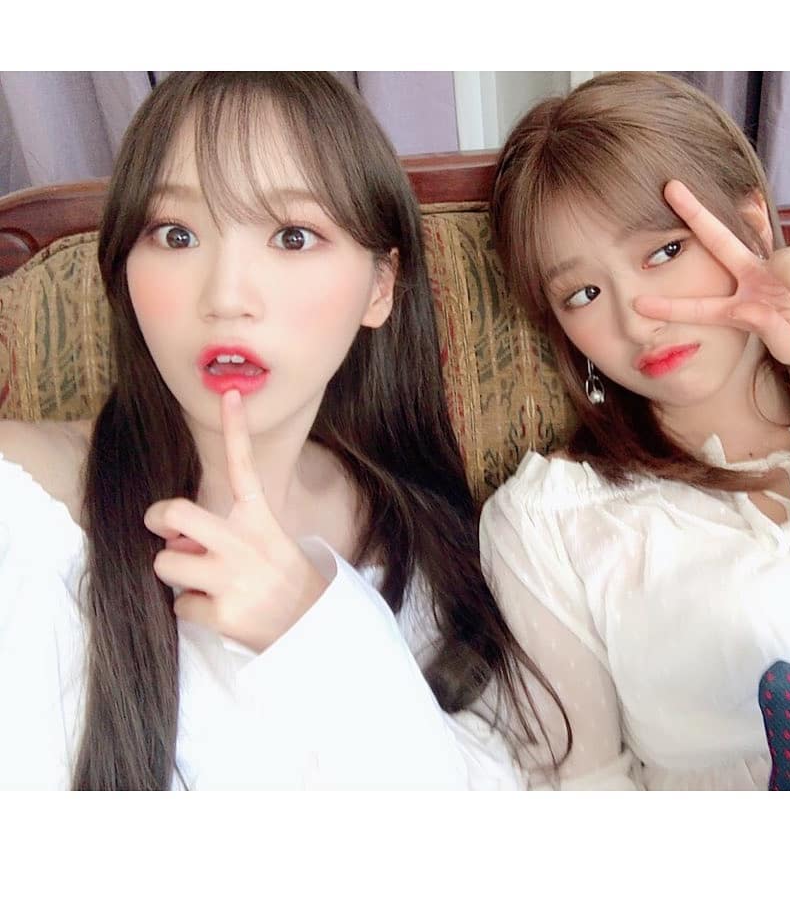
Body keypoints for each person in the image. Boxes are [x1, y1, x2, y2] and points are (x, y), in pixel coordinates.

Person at [0, 71, 549, 790]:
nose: (226, 296)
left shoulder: (423, 536)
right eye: (176, 234)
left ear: (380, 287)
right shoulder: (26, 512)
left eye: (293, 236)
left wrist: (313, 629)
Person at [482, 70, 790, 790]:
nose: (636, 318)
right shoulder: (551, 525)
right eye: (583, 293)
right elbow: (584, 795)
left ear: (753, 225)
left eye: (664, 251)